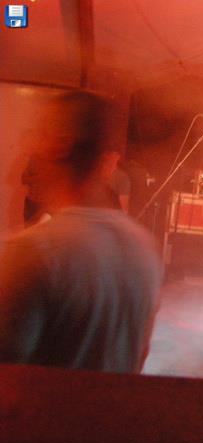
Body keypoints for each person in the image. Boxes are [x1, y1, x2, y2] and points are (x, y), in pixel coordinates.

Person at [0, 90, 163, 373]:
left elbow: (7, 372)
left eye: (40, 134)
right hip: (116, 403)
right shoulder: (144, 245)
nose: (32, 146)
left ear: (60, 145)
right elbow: (139, 356)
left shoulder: (36, 250)